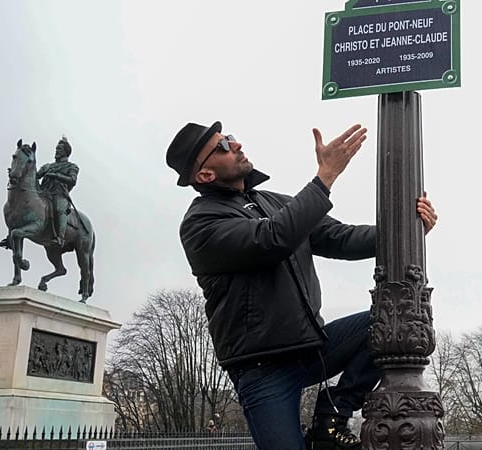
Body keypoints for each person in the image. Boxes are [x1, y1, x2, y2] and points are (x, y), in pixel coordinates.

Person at [165, 121, 437, 450]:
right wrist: (325, 176)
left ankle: (332, 415)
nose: (236, 145)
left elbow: (341, 238)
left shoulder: (276, 203)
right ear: (205, 174)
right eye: (223, 146)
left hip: (312, 348)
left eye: (231, 138)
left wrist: (407, 228)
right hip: (262, 368)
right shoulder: (200, 225)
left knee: (390, 322)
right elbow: (273, 239)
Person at [37, 135, 79, 246]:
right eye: (56, 149)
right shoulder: (47, 166)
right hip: (43, 193)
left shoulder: (71, 167)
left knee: (59, 208)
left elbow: (72, 180)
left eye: (59, 149)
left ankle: (60, 237)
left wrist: (56, 176)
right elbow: (36, 176)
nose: (56, 151)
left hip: (59, 194)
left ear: (66, 152)